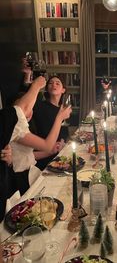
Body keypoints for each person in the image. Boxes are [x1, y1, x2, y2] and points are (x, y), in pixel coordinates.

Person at [0, 76, 46, 222]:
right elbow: (47, 145)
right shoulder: (14, 124)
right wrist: (37, 85)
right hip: (18, 178)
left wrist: (7, 161)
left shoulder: (25, 125)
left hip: (20, 175)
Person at [31, 75, 69, 170]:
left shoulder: (63, 109)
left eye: (57, 83)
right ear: (47, 89)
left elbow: (64, 133)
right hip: (44, 154)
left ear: (63, 90)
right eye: (50, 83)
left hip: (59, 153)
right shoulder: (40, 106)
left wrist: (63, 143)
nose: (53, 85)